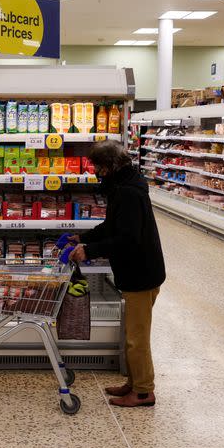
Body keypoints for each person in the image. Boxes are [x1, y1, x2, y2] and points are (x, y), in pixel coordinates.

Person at [68, 140, 166, 407]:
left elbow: (127, 239)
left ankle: (144, 392)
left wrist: (89, 250)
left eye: (98, 167)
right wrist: (84, 238)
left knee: (137, 338)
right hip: (136, 271)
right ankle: (134, 383)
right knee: (131, 334)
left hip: (141, 274)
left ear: (110, 166)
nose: (96, 172)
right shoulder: (125, 186)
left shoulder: (128, 193)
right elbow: (112, 225)